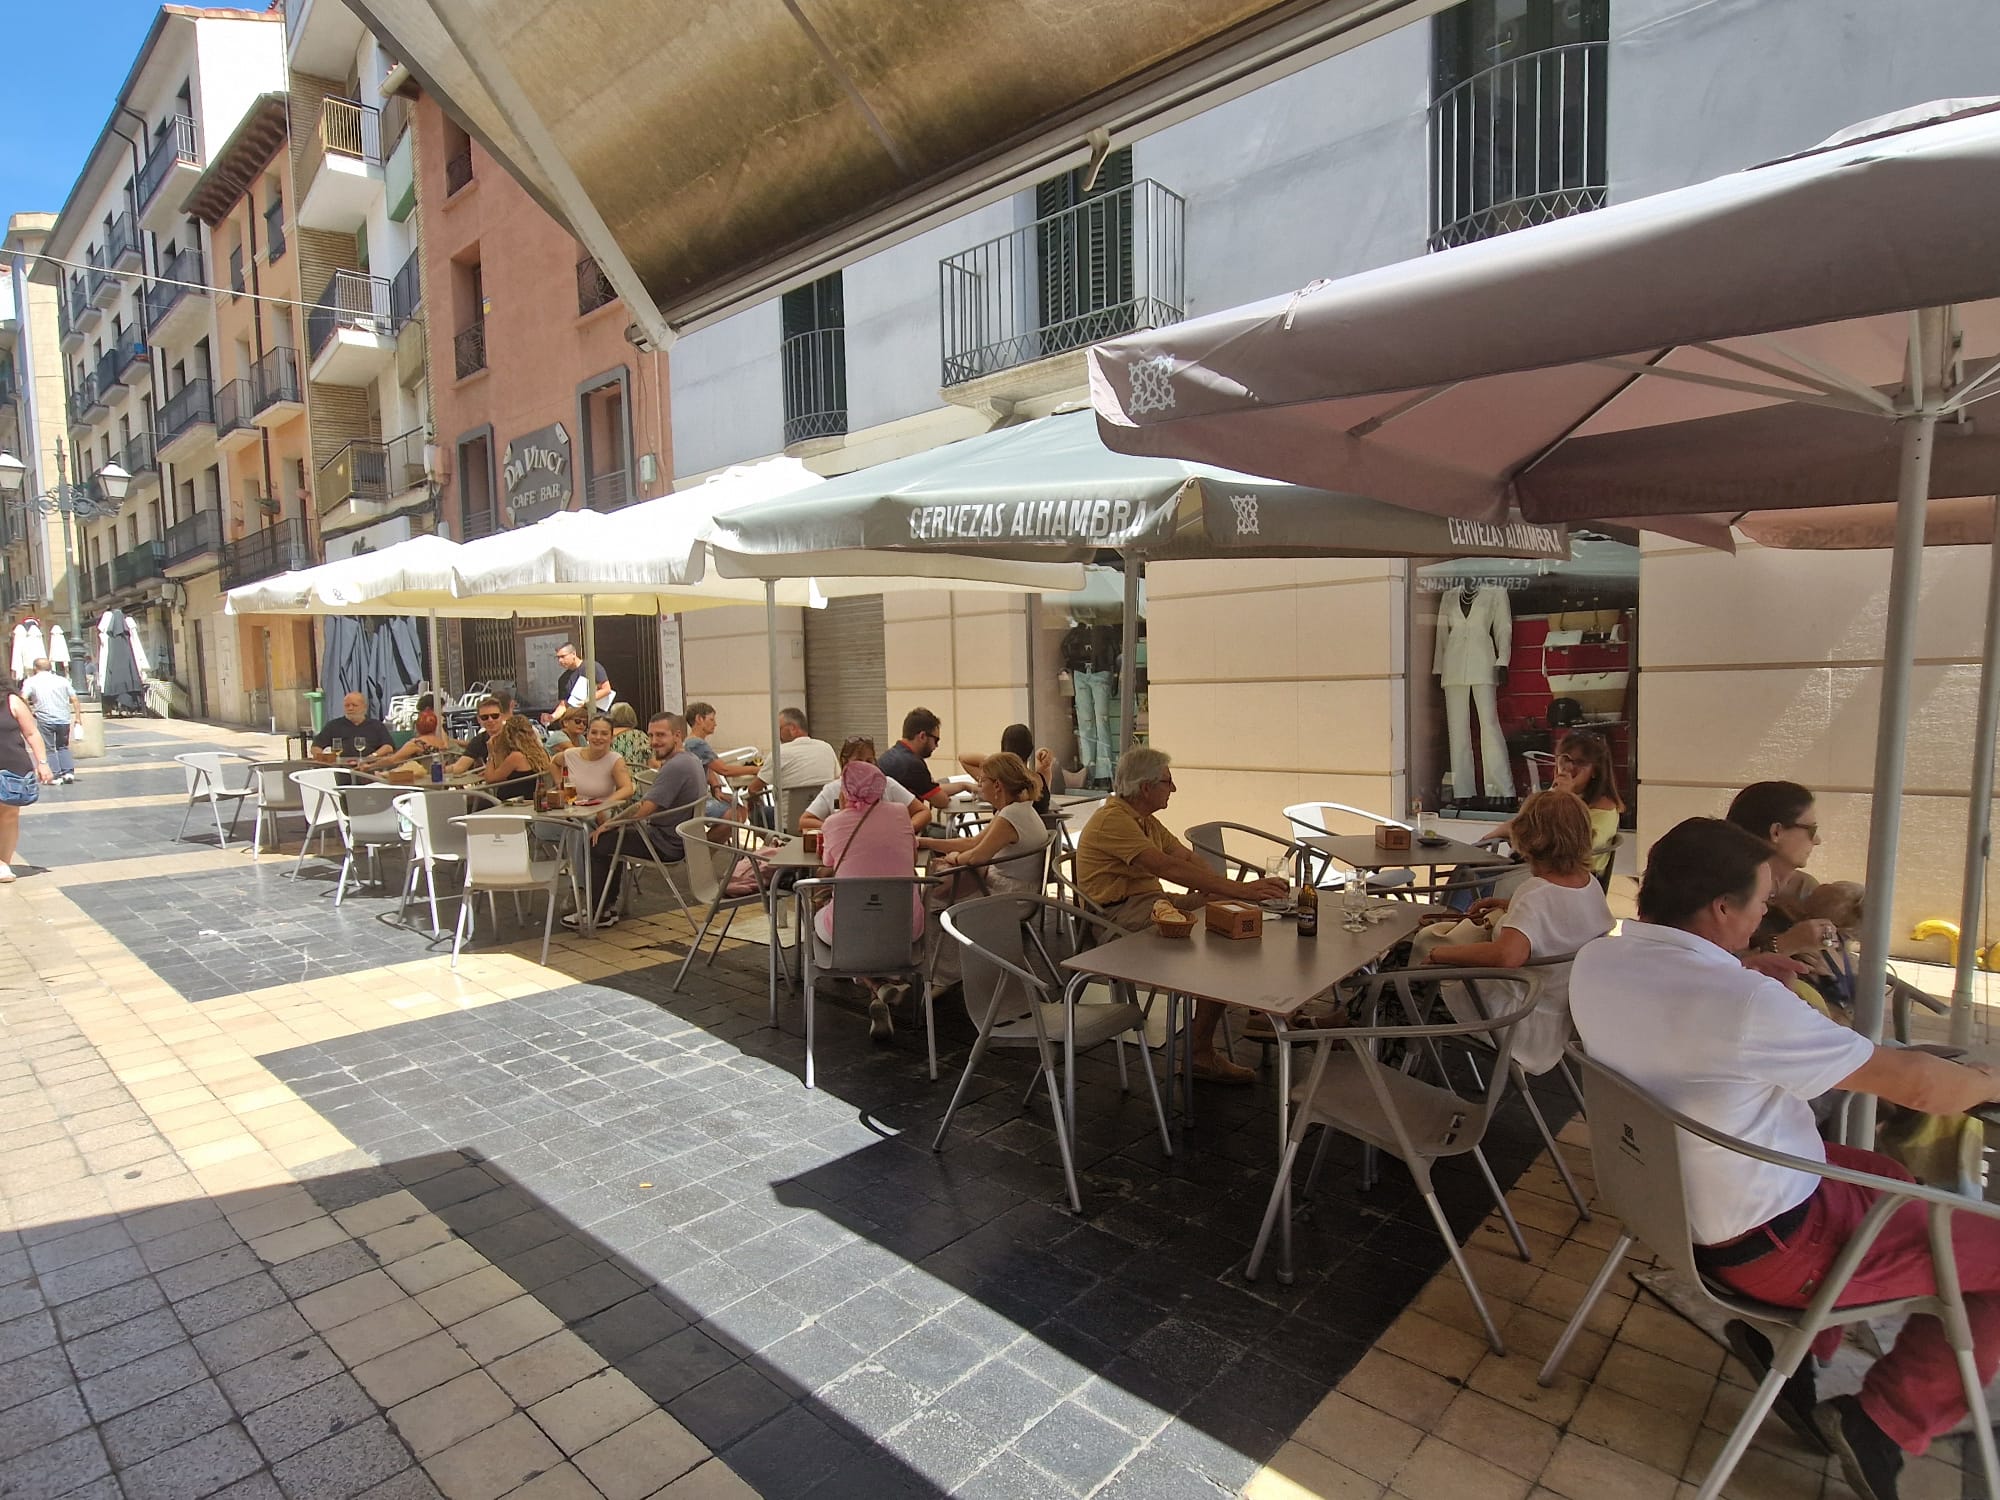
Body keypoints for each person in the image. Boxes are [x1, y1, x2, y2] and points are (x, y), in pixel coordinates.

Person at [1571, 817, 2000, 1500]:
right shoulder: (1745, 1005)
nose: (1768, 911)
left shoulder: (1600, 959)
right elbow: (1919, 1085)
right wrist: (1988, 1079)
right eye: (1763, 899)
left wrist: (1742, 963)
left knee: (1887, 1174)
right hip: (1772, 1247)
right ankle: (1885, 1420)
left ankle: (1788, 1352)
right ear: (1721, 908)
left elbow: (1684, 991)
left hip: (1670, 1207)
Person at [1075, 746, 1287, 1083]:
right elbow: (1165, 866)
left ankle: (1258, 1014)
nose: (1173, 789)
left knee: (1231, 914)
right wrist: (1240, 889)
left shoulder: (1142, 819)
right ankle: (1200, 1051)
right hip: (1119, 919)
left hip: (1153, 903)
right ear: (1146, 787)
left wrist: (1223, 889)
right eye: (1167, 782)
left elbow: (1185, 858)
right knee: (1221, 939)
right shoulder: (1112, 820)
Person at [1420, 789, 1614, 1073]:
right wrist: (1509, 905)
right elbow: (1563, 916)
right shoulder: (1589, 885)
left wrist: (1439, 954)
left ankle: (1383, 1061)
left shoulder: (1535, 892)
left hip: (1511, 1019)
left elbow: (1507, 956)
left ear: (1529, 838)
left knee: (1399, 980)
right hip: (1556, 1021)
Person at [817, 759, 924, 1042]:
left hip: (848, 932)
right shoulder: (901, 813)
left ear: (845, 789)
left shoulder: (833, 823)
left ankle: (873, 983)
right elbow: (912, 858)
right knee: (873, 927)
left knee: (824, 912)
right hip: (905, 926)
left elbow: (827, 863)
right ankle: (882, 986)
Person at [574, 711, 706, 928]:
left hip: (665, 844)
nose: (654, 742)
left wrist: (609, 826)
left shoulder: (675, 766)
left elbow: (645, 809)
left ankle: (600, 911)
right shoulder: (690, 760)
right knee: (610, 836)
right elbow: (642, 807)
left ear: (678, 735)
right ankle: (608, 906)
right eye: (651, 736)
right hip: (680, 839)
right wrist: (611, 825)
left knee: (596, 842)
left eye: (661, 735)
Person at [1727, 780, 1842, 959]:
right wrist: (1785, 944)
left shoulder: (1806, 887)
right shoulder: (1726, 889)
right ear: (1777, 832)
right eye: (1811, 830)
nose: (1817, 840)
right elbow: (1711, 966)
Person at [800, 737, 931, 834]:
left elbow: (923, 812)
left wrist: (904, 831)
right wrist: (836, 829)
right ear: (845, 763)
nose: (865, 766)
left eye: (869, 761)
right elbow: (805, 821)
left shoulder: (888, 785)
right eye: (858, 761)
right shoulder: (833, 789)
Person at [0, 672, 52, 881]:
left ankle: (3, 863)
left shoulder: (11, 701)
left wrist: (42, 763)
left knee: (9, 816)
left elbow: (32, 733)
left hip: (12, 766)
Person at [959, 723, 1062, 814]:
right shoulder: (1040, 778)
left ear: (1003, 747)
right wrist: (1043, 751)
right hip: (1042, 834)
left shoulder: (997, 780)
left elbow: (963, 758)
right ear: (1030, 749)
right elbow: (1044, 761)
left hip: (1006, 834)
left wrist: (999, 761)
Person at [683, 702, 762, 817]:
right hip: (695, 801)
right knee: (738, 814)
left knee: (738, 810)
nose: (715, 724)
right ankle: (706, 836)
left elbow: (707, 767)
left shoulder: (690, 742)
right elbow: (725, 770)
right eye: (711, 720)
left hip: (695, 798)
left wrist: (716, 787)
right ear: (699, 719)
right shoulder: (697, 743)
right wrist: (757, 769)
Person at [361, 705, 462, 781]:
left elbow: (393, 760)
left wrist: (370, 766)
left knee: (380, 775)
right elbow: (445, 742)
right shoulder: (442, 743)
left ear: (417, 726)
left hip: (418, 781)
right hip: (438, 778)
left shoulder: (416, 744)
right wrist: (439, 724)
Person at [879, 708, 951, 810]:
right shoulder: (913, 765)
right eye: (936, 740)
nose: (937, 746)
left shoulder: (890, 755)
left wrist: (964, 786)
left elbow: (932, 789)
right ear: (922, 736)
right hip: (905, 823)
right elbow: (941, 801)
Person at [20, 658, 78, 785]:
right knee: (63, 746)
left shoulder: (31, 681)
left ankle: (56, 775)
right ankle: (68, 772)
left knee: (49, 748)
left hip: (44, 718)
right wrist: (78, 717)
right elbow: (74, 698)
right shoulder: (62, 680)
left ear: (35, 668)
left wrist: (30, 711)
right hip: (63, 718)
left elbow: (23, 697)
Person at [559, 716, 635, 807]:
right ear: (587, 735)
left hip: (598, 813)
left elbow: (627, 788)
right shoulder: (571, 754)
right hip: (571, 810)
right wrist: (560, 784)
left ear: (611, 738)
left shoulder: (615, 760)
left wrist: (605, 804)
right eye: (594, 733)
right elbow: (553, 763)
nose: (598, 737)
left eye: (604, 734)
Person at [480, 714, 558, 803]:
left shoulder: (516, 757)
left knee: (480, 802)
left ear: (508, 735)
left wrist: (491, 753)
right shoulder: (542, 752)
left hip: (513, 803)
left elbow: (490, 779)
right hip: (533, 800)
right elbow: (499, 771)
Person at [311, 692, 394, 762]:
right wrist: (322, 758)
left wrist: (373, 756)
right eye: (347, 705)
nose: (350, 708)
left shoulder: (376, 725)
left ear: (364, 707)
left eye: (354, 705)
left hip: (370, 766)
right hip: (341, 767)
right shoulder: (333, 725)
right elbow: (316, 746)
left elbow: (388, 747)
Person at [445, 695, 510, 777]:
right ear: (479, 720)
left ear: (502, 716)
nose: (490, 720)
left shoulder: (513, 735)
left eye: (495, 716)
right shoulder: (479, 740)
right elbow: (459, 767)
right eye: (484, 717)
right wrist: (440, 770)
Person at [546, 643, 612, 720]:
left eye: (563, 656)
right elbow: (563, 705)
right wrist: (551, 717)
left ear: (573, 654)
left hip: (599, 716)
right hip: (579, 721)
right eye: (558, 658)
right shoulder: (563, 679)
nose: (560, 660)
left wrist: (586, 700)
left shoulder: (592, 667)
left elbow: (606, 689)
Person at [607, 702, 652, 779]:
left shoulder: (606, 736)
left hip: (613, 781)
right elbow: (653, 763)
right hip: (638, 781)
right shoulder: (640, 736)